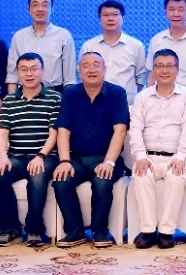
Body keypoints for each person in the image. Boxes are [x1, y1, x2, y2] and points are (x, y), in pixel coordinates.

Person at [52, 52, 130, 249]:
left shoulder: (117, 93)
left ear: (105, 69)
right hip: (76, 158)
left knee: (102, 180)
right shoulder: (70, 93)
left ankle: (99, 231)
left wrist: (109, 162)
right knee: (61, 179)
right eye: (86, 66)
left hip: (106, 157)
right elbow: (63, 130)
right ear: (79, 70)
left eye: (96, 65)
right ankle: (75, 231)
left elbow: (120, 130)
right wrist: (64, 161)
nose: (91, 69)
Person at [128, 49, 186, 249]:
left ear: (177, 70)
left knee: (176, 178)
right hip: (148, 156)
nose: (164, 70)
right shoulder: (142, 97)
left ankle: (167, 232)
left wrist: (180, 156)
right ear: (153, 70)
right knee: (141, 177)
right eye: (159, 66)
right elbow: (135, 128)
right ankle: (148, 231)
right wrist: (140, 156)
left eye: (169, 66)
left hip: (176, 156)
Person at [0, 53, 61, 247]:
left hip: (46, 156)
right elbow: (2, 134)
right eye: (24, 70)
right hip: (17, 157)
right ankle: (10, 229)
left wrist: (40, 156)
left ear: (42, 71)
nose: (29, 74)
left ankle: (34, 229)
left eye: (34, 69)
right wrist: (2, 157)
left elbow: (54, 134)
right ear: (17, 73)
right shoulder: (9, 100)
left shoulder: (54, 98)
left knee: (37, 175)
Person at [6, 0, 76, 94]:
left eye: (45, 5)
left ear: (52, 9)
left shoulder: (64, 36)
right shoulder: (19, 36)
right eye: (35, 5)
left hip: (55, 95)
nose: (40, 9)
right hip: (24, 95)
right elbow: (12, 77)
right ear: (29, 10)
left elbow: (69, 79)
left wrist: (68, 101)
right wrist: (12, 100)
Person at [80, 0, 147, 105]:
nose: (110, 18)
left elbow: (141, 78)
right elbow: (82, 76)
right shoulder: (88, 46)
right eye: (106, 15)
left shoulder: (136, 46)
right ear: (100, 18)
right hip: (95, 104)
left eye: (115, 14)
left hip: (126, 105)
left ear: (123, 17)